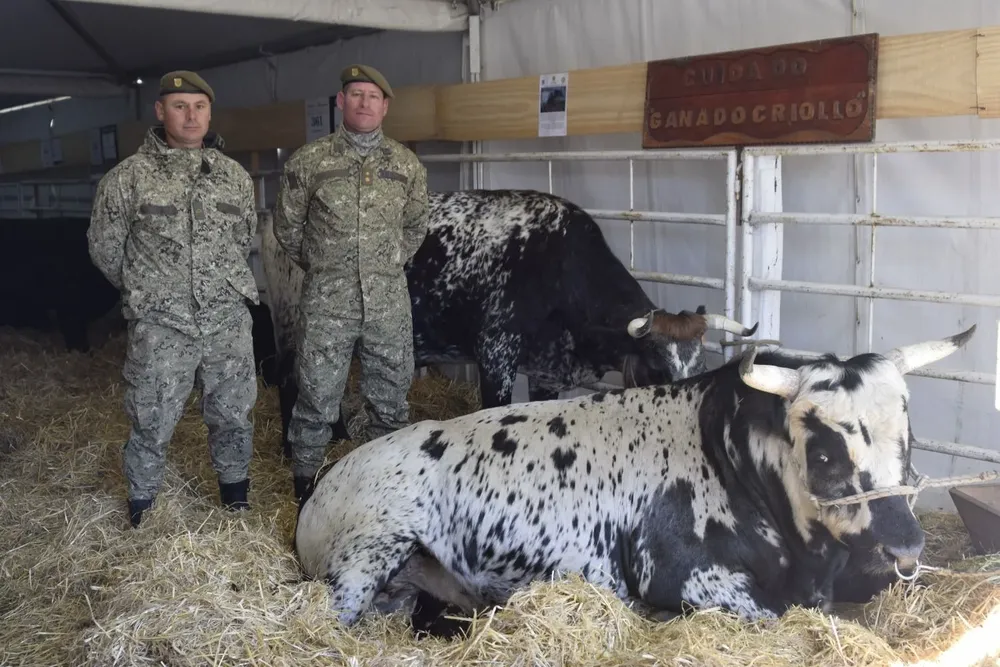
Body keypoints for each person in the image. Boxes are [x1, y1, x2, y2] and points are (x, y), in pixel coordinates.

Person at [87, 70, 261, 527]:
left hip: (225, 318)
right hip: (162, 323)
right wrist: (148, 290)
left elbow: (244, 238)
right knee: (152, 417)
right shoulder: (128, 179)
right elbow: (105, 247)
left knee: (234, 414)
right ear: (160, 111)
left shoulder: (234, 177)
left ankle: (235, 501)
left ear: (209, 112)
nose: (191, 115)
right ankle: (142, 510)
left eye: (200, 106)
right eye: (180, 106)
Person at [272, 64, 429, 503]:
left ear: (385, 106)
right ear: (340, 102)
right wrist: (326, 266)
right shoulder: (310, 161)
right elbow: (288, 229)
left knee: (390, 404)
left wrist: (385, 263)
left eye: (373, 96)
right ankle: (305, 491)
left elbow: (416, 227)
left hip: (387, 305)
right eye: (355, 94)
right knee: (317, 400)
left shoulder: (405, 165)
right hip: (328, 304)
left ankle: (383, 495)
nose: (364, 103)